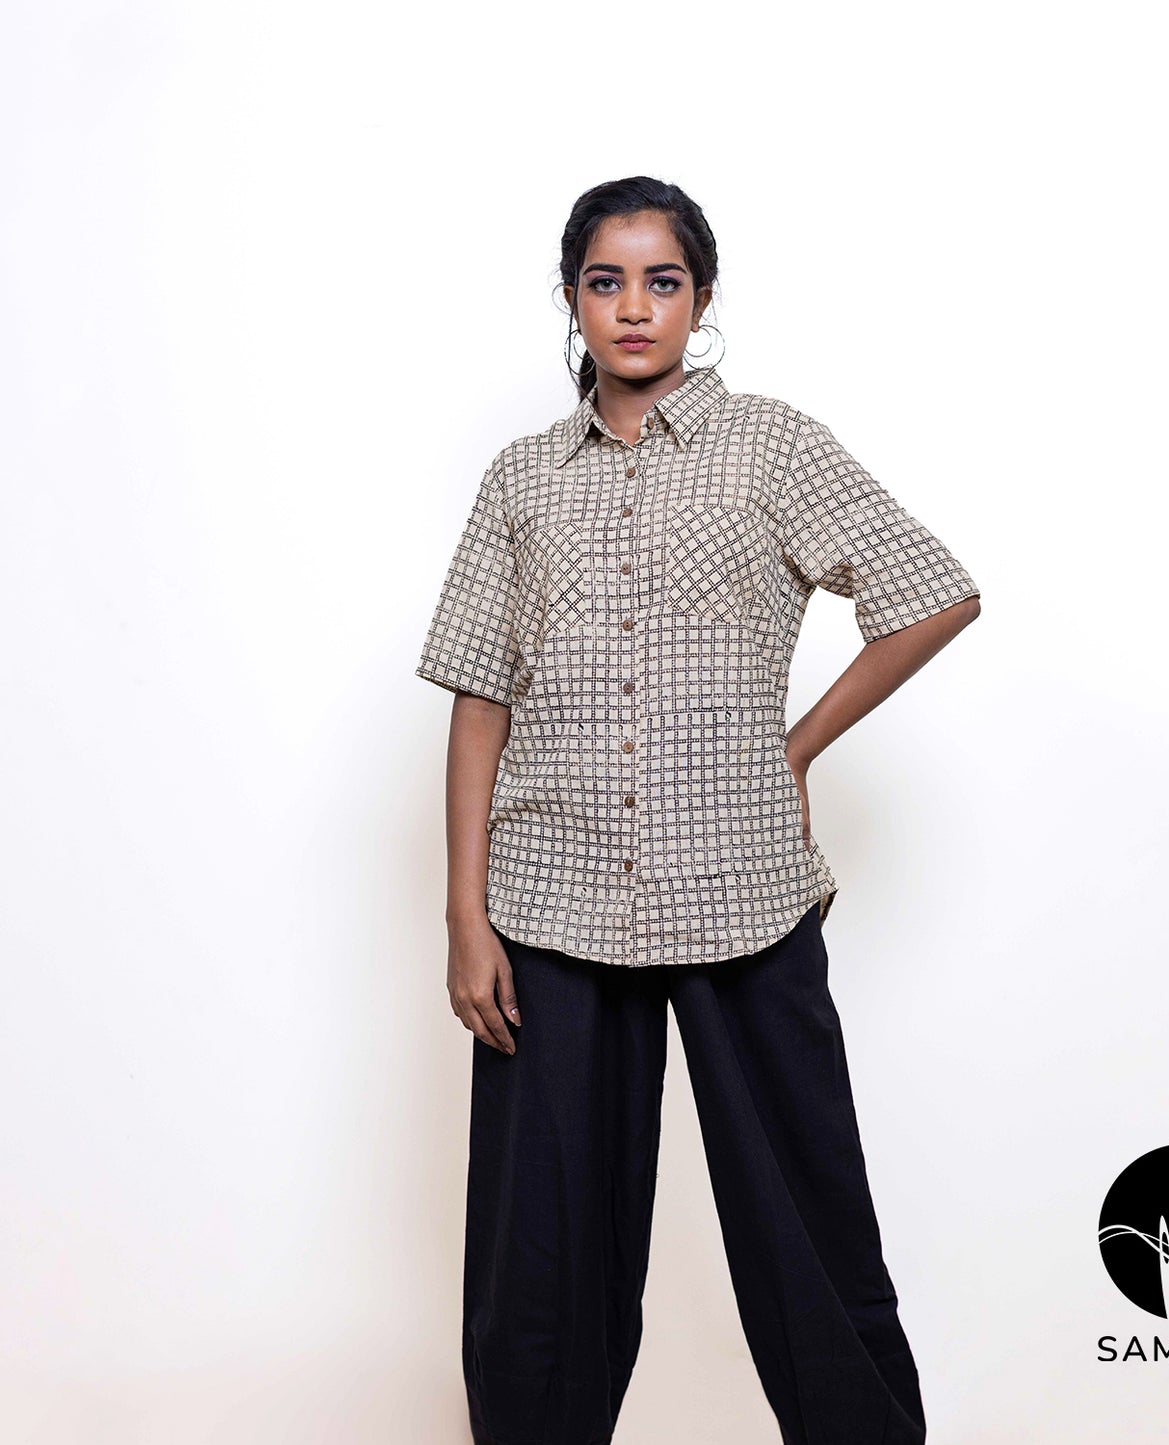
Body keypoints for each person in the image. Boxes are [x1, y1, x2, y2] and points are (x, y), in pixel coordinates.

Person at [415, 175, 981, 1445]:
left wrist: (793, 747)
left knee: (806, 1227)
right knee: (537, 1256)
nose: (633, 307)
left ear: (700, 297)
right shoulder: (520, 477)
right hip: (550, 902)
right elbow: (478, 691)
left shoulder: (772, 447)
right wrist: (464, 912)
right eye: (604, 281)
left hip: (741, 890)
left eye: (660, 281)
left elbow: (931, 591)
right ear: (571, 299)